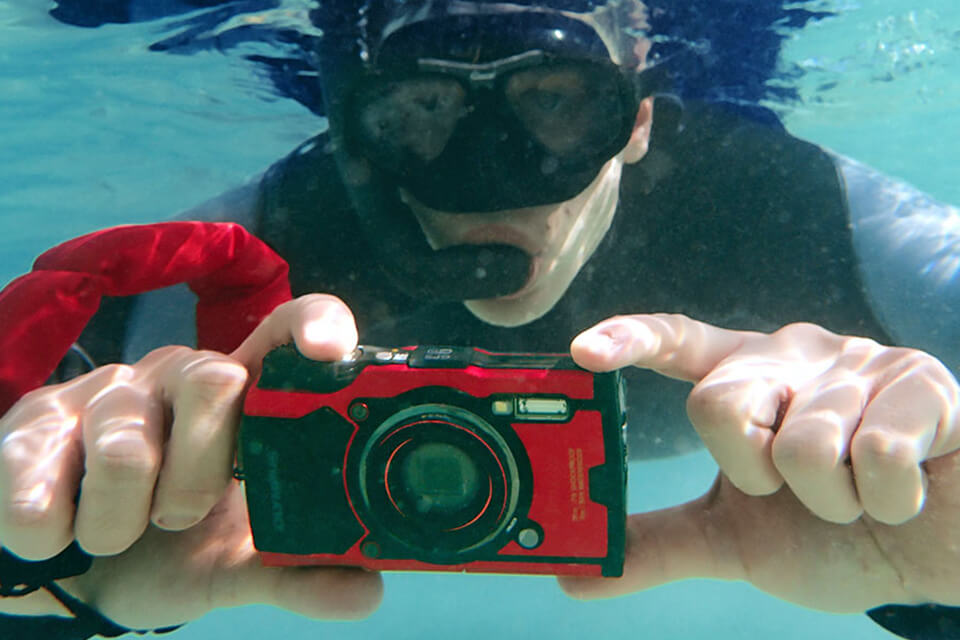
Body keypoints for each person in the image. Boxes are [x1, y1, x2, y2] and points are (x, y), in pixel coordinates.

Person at [2, 1, 960, 639]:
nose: (490, 175)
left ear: (632, 118)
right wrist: (52, 580)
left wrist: (942, 568)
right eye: (423, 109)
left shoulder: (791, 211)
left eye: (555, 105)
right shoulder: (254, 267)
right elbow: (33, 495)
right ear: (357, 126)